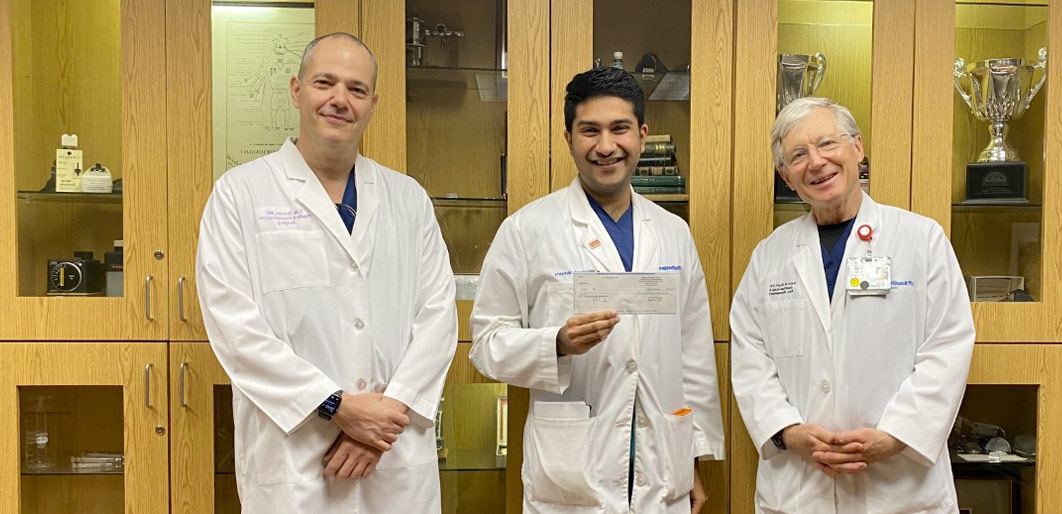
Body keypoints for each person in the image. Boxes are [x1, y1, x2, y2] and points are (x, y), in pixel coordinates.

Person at [195, 33, 457, 512]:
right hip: (296, 455)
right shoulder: (240, 194)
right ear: (297, 90)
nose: (340, 99)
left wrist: (380, 423)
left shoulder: (407, 199)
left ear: (373, 104)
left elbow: (439, 317)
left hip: (391, 455)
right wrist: (337, 407)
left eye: (357, 90)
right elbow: (235, 329)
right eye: (325, 83)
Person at [469, 67, 724, 513]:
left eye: (619, 129)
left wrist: (692, 457)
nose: (606, 146)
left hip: (663, 469)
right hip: (571, 474)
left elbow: (693, 353)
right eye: (590, 130)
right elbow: (487, 345)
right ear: (569, 138)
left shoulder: (672, 233)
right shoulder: (527, 230)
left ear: (642, 136)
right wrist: (557, 344)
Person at [730, 97, 975, 513]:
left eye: (828, 143)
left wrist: (894, 436)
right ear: (786, 176)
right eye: (798, 155)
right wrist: (788, 432)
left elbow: (948, 349)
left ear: (857, 148)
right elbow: (750, 357)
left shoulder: (921, 240)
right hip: (799, 488)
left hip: (899, 488)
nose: (817, 162)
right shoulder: (769, 256)